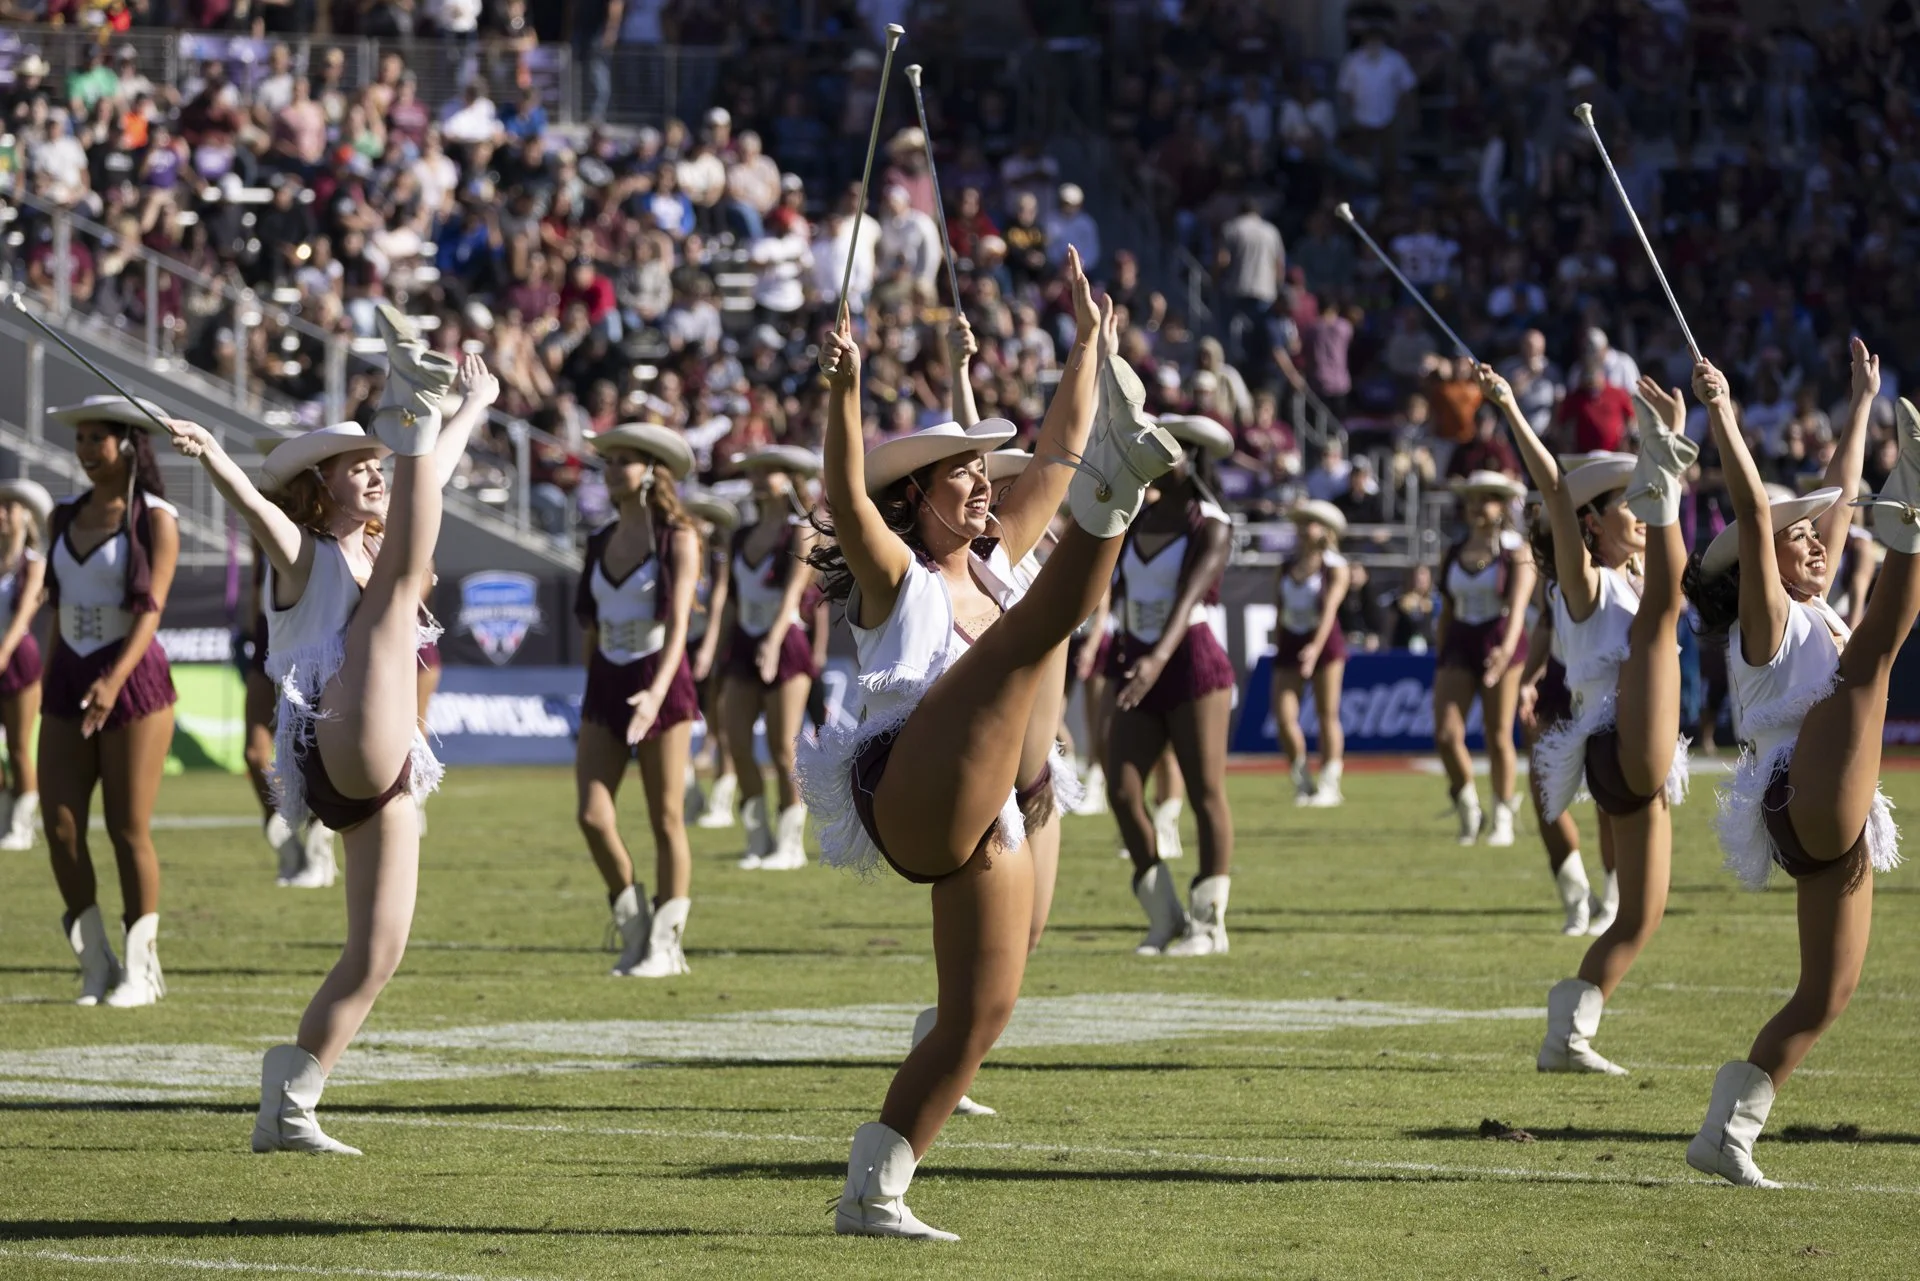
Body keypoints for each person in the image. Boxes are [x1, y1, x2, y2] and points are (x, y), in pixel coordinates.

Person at [799, 247, 1180, 1239]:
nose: (980, 484)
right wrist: (842, 394)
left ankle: (874, 1190)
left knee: (983, 1013)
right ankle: (1121, 490)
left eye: (979, 473)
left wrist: (1088, 345)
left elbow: (1053, 450)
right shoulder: (896, 574)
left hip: (987, 804)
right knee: (1027, 638)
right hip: (907, 786)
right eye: (961, 473)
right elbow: (844, 494)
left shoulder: (997, 561)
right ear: (916, 495)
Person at [162, 312, 492, 1154]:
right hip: (335, 734)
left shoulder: (385, 539)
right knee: (400, 588)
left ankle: (291, 1101)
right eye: (360, 466)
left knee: (377, 952)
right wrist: (214, 451)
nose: (375, 475)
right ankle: (407, 401)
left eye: (382, 462)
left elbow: (432, 477)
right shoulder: (305, 552)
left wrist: (475, 406)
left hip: (384, 763)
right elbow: (250, 505)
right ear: (321, 485)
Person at [1682, 342, 1915, 1188]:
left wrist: (1863, 403)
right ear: (1759, 564)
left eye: (1816, 536)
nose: (1815, 542)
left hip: (1834, 810)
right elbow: (1753, 511)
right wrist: (1721, 411)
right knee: (1871, 663)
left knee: (1828, 992)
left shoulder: (1816, 602)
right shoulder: (1768, 621)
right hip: (1798, 790)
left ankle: (1726, 1132)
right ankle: (1915, 523)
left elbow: (1840, 494)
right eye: (1797, 539)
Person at [1480, 364, 1696, 1076]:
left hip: (1641, 753)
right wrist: (1511, 408)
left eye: (1643, 499)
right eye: (1626, 504)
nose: (1638, 513)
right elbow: (1552, 490)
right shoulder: (1587, 582)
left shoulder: (1639, 579)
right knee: (1663, 614)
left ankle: (1566, 1036)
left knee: (1640, 916)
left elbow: (1672, 556)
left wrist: (1671, 438)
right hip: (1615, 738)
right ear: (1593, 523)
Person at [40, 397, 181, 1008]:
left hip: (133, 681)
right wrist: (53, 680)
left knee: (127, 829)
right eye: (81, 439)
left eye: (96, 438)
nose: (85, 449)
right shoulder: (63, 515)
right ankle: (95, 963)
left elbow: (151, 610)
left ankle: (140, 971)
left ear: (127, 444)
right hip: (67, 679)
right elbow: (58, 609)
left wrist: (114, 680)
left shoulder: (156, 518)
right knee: (60, 826)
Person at [573, 424, 703, 979]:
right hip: (606, 680)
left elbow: (679, 628)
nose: (610, 471)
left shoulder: (679, 537)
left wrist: (655, 694)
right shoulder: (600, 539)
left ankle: (666, 946)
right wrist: (590, 686)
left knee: (666, 818)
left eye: (622, 461)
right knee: (592, 815)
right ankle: (634, 928)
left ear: (651, 470)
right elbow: (591, 623)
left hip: (660, 680)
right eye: (607, 462)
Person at [1105, 415, 1238, 957]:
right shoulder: (1139, 516)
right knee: (1121, 789)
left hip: (1189, 664)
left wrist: (1156, 659)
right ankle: (1164, 917)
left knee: (1205, 792)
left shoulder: (1212, 523)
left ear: (1194, 456)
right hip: (1138, 659)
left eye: (1171, 449)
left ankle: (1209, 926)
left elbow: (1188, 599)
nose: (1159, 456)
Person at [721, 445, 820, 871]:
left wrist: (772, 642)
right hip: (744, 642)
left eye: (769, 471)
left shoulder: (802, 530)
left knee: (783, 747)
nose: (759, 479)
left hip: (787, 642)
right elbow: (731, 599)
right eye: (755, 472)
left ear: (789, 478)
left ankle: (790, 844)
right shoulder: (740, 535)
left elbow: (795, 593)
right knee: (736, 742)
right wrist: (718, 649)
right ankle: (757, 838)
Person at [1433, 472, 1535, 845]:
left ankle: (1503, 814)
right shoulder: (1453, 551)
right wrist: (1441, 651)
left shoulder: (1517, 552)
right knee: (1447, 734)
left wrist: (1505, 651)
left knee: (1498, 735)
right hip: (1459, 642)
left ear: (1503, 506)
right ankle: (1468, 808)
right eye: (1473, 499)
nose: (1478, 506)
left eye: (1488, 498)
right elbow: (1447, 609)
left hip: (1500, 640)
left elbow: (1519, 609)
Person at [1516, 558, 1615, 936]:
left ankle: (1615, 902)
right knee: (1545, 793)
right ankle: (1577, 899)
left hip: (1607, 681)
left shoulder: (1623, 564)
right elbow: (1547, 622)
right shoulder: (1554, 561)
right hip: (1559, 681)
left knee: (1611, 796)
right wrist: (1528, 680)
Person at [240, 526, 335, 887]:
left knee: (316, 754)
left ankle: (319, 852)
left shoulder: (321, 523)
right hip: (268, 642)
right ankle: (286, 842)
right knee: (255, 753)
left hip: (310, 644)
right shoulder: (261, 520)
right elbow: (257, 579)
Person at [1272, 500, 1349, 808]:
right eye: (1302, 523)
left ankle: (1330, 783)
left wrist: (1314, 649)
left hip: (1325, 645)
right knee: (1283, 717)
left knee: (1327, 714)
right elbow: (1279, 609)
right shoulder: (1286, 565)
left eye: (1312, 523)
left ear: (1326, 530)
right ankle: (1302, 779)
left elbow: (1330, 611)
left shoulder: (1335, 567)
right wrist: (1281, 643)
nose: (1305, 529)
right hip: (1291, 643)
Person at [681, 489, 740, 832]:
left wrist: (709, 647)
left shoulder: (720, 558)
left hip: (716, 643)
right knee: (678, 718)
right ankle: (690, 796)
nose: (697, 523)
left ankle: (722, 800)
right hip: (684, 641)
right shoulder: (678, 550)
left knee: (721, 720)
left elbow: (718, 602)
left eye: (704, 518)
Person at [0, 479, 51, 852]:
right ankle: (4, 818)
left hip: (18, 662)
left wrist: (2, 654)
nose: (2, 514)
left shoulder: (33, 564)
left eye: (9, 508)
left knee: (19, 748)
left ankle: (21, 826)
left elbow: (23, 618)